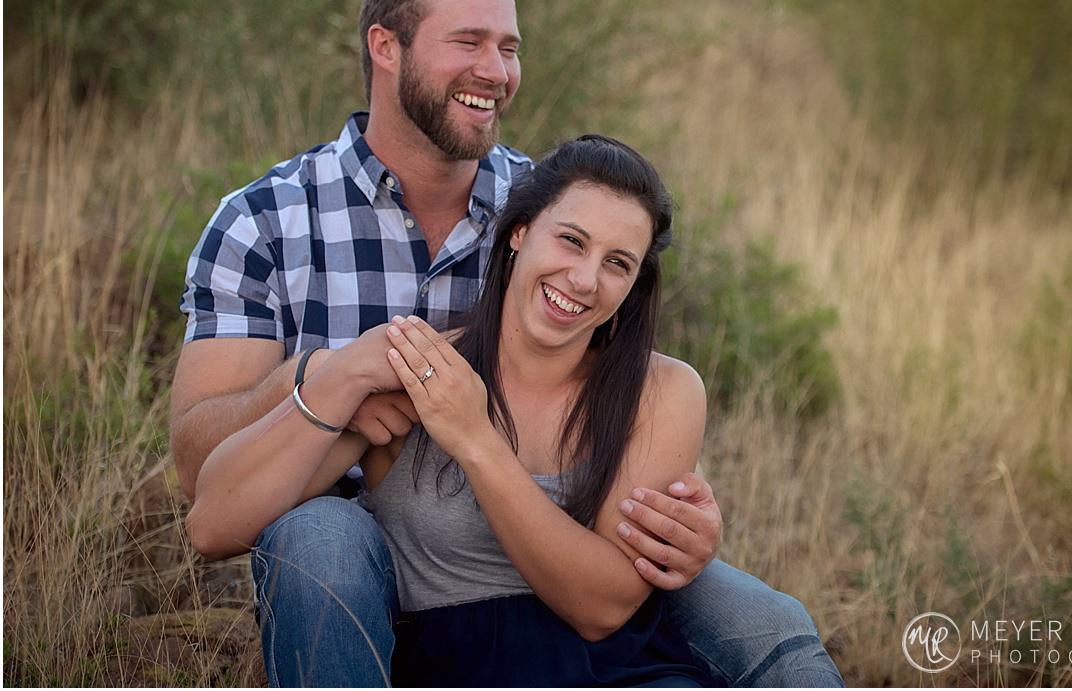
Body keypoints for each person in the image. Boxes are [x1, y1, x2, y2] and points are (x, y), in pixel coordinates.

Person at [171, 0, 843, 687]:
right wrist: (332, 380)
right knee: (321, 537)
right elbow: (204, 483)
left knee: (769, 622)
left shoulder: (553, 195)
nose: (497, 71)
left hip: (564, 553)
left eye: (510, 47)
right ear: (385, 46)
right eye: (469, 42)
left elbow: (616, 383)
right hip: (367, 538)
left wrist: (685, 524)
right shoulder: (265, 219)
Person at [189, 136, 722, 686]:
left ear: (634, 284)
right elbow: (213, 526)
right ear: (520, 233)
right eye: (571, 241)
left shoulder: (663, 388)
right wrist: (342, 377)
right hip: (458, 666)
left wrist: (473, 437)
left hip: (619, 672)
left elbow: (602, 609)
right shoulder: (423, 374)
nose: (585, 280)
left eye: (617, 262)